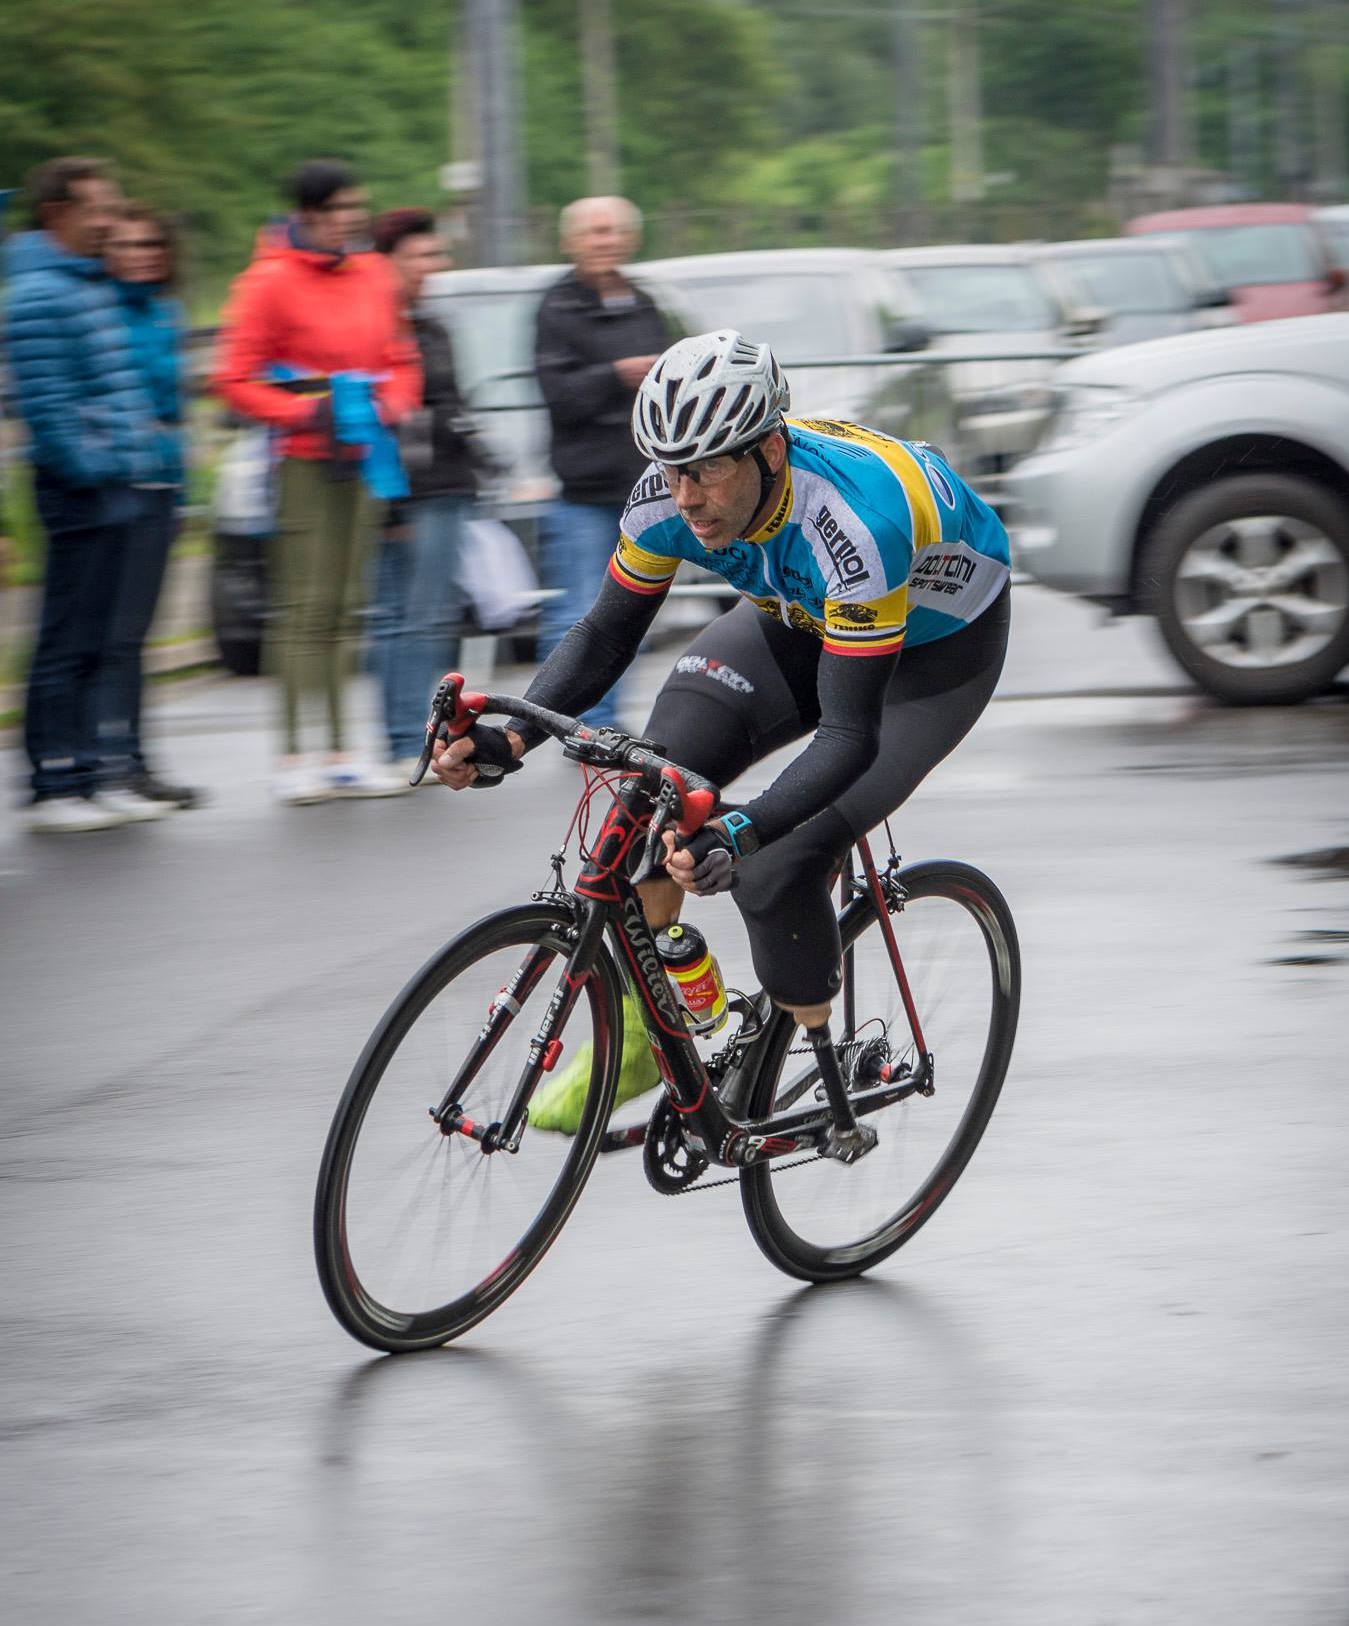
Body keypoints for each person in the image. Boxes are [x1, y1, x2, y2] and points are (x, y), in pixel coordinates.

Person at [434, 330, 1012, 1134]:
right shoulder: (666, 495)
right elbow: (604, 634)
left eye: (705, 470)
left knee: (775, 865)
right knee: (653, 785)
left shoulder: (854, 522)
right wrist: (512, 738)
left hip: (931, 655)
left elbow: (848, 734)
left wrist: (742, 833)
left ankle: (820, 1078)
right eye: (670, 469)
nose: (684, 497)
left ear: (769, 451)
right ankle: (645, 1032)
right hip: (800, 615)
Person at [213, 159, 420, 803]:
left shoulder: (375, 274)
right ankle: (294, 755)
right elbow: (233, 378)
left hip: (364, 453)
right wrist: (306, 412)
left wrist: (390, 405)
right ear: (307, 214)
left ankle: (340, 754)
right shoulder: (267, 280)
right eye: (338, 210)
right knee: (304, 608)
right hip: (304, 458)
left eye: (356, 207)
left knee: (345, 606)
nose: (350, 220)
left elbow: (400, 358)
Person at [6, 157, 167, 832]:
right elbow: (48, 406)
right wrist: (92, 466)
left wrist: (129, 460)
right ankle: (53, 782)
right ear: (58, 213)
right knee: (66, 637)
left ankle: (91, 775)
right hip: (79, 488)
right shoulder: (39, 292)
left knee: (100, 637)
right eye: (96, 207)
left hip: (115, 480)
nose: (108, 220)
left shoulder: (86, 283)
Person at [532, 196, 668, 730]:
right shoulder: (556, 308)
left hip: (642, 483)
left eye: (612, 231)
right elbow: (557, 392)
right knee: (579, 611)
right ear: (570, 241)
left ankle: (603, 721)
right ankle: (557, 721)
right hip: (584, 487)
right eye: (593, 232)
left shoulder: (644, 302)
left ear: (631, 238)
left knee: (632, 611)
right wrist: (616, 375)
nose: (604, 241)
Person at [370, 208, 486, 780]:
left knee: (422, 618)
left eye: (435, 254)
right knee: (412, 619)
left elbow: (451, 403)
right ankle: (404, 740)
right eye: (419, 255)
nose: (431, 265)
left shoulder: (434, 325)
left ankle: (413, 738)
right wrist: (391, 502)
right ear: (387, 261)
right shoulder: (377, 328)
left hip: (447, 483)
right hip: (411, 490)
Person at [101, 201, 202, 809]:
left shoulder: (166, 313)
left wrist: (183, 491)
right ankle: (105, 762)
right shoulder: (100, 313)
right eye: (127, 245)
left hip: (161, 487)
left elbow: (176, 410)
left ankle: (133, 760)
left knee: (135, 635)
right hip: (116, 485)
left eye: (152, 244)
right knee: (109, 636)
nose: (142, 256)